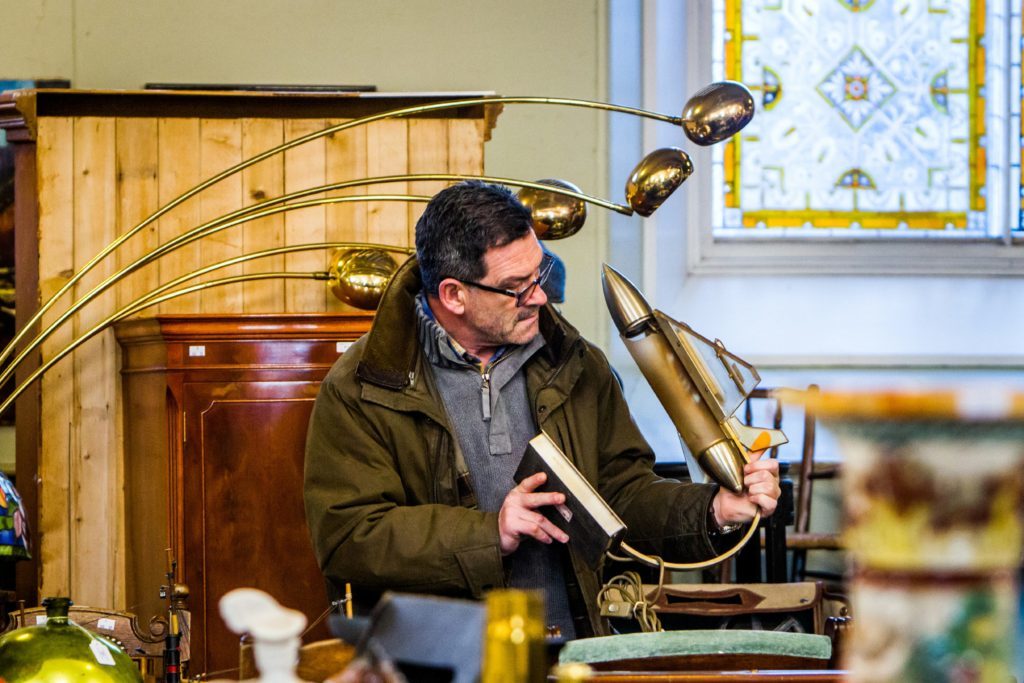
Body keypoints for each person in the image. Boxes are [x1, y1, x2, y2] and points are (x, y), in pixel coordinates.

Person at [303, 181, 780, 639]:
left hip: (570, 652)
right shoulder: (362, 387)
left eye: (540, 274)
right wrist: (491, 532)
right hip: (444, 661)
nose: (539, 296)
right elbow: (350, 537)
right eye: (515, 286)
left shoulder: (577, 364)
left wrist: (715, 510)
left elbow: (622, 494)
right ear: (454, 295)